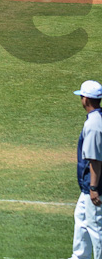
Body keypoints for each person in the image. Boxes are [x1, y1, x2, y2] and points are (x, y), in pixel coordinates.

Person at [72, 79, 102, 259]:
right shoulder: (98, 118)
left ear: (86, 99)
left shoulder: (93, 124)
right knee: (81, 221)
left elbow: (95, 160)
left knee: (96, 228)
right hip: (87, 187)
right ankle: (79, 256)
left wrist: (93, 188)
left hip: (94, 187)